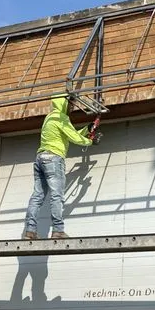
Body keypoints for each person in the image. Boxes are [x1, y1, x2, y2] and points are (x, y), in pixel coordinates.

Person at [22, 94, 103, 240]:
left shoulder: (50, 117)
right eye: (70, 104)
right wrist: (91, 142)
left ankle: (30, 231)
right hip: (54, 158)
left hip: (40, 158)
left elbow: (69, 134)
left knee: (37, 196)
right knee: (57, 196)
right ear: (63, 103)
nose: (72, 108)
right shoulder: (62, 118)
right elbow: (74, 138)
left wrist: (87, 129)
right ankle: (58, 230)